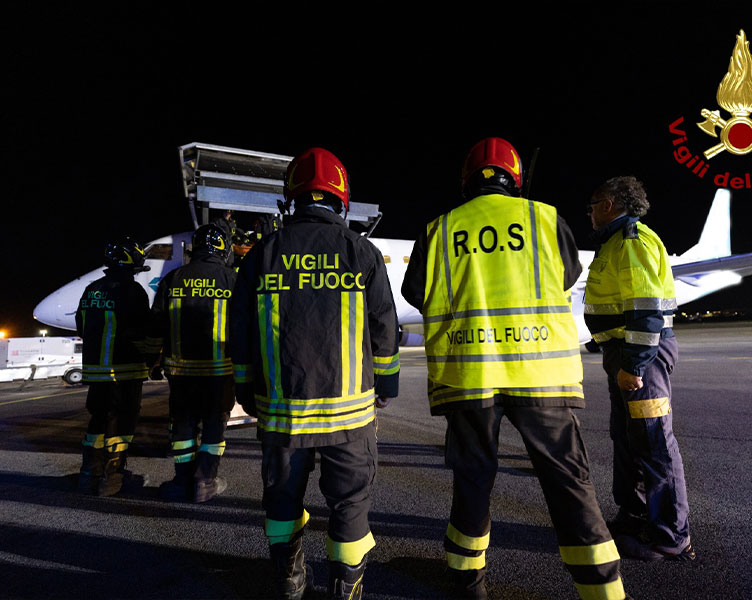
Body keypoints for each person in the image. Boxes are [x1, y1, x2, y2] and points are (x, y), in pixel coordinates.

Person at [402, 137, 630, 600]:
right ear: (515, 178)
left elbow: (416, 292)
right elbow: (567, 276)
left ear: (467, 181)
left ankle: (467, 580)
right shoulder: (545, 218)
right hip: (541, 372)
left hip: (470, 376)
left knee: (472, 480)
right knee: (569, 483)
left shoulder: (439, 229)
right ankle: (603, 591)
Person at [230, 147, 399, 600]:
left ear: (291, 199)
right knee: (350, 505)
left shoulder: (262, 254)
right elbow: (384, 326)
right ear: (341, 200)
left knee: (281, 501)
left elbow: (240, 331)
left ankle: (289, 579)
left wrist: (244, 388)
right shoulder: (361, 251)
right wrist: (387, 384)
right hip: (349, 418)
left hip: (283, 415)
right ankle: (346, 589)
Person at [584, 175, 694, 562]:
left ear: (609, 204)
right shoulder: (614, 242)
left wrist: (633, 364)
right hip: (622, 353)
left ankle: (670, 535)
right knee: (628, 438)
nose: (589, 213)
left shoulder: (632, 241)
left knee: (652, 440)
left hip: (641, 356)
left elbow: (646, 310)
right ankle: (634, 516)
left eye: (593, 205)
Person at [148, 223, 237, 503]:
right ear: (223, 249)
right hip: (219, 372)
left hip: (180, 373)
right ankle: (205, 482)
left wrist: (152, 360)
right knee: (214, 426)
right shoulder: (231, 279)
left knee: (183, 427)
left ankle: (182, 480)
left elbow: (156, 324)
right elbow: (246, 325)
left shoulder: (173, 278)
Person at [76, 236, 151, 497]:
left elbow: (81, 327)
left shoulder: (92, 289)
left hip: (96, 373)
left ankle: (89, 474)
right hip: (125, 371)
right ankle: (113, 478)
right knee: (121, 424)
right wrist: (151, 358)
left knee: (98, 421)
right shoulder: (133, 291)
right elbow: (143, 331)